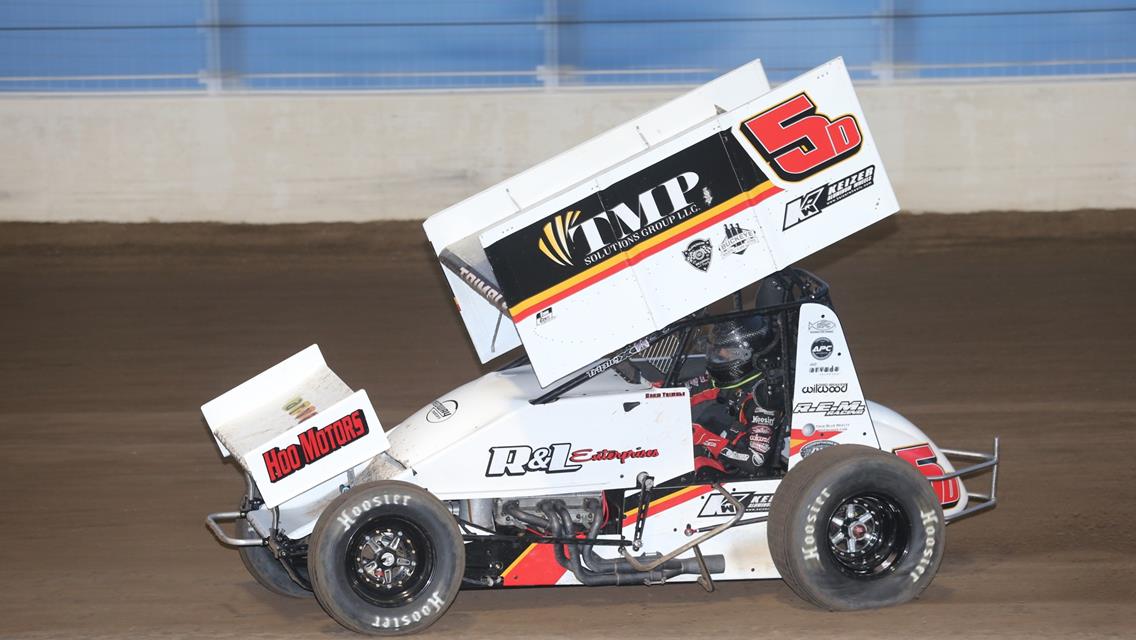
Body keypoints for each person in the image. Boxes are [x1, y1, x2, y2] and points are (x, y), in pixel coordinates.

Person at [691, 312, 780, 476]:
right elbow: (693, 390)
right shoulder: (733, 381)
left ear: (744, 354)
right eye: (717, 350)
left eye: (726, 351)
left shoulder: (762, 403)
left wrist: (704, 438)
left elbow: (755, 461)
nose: (719, 354)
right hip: (727, 449)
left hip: (743, 473)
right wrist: (659, 392)